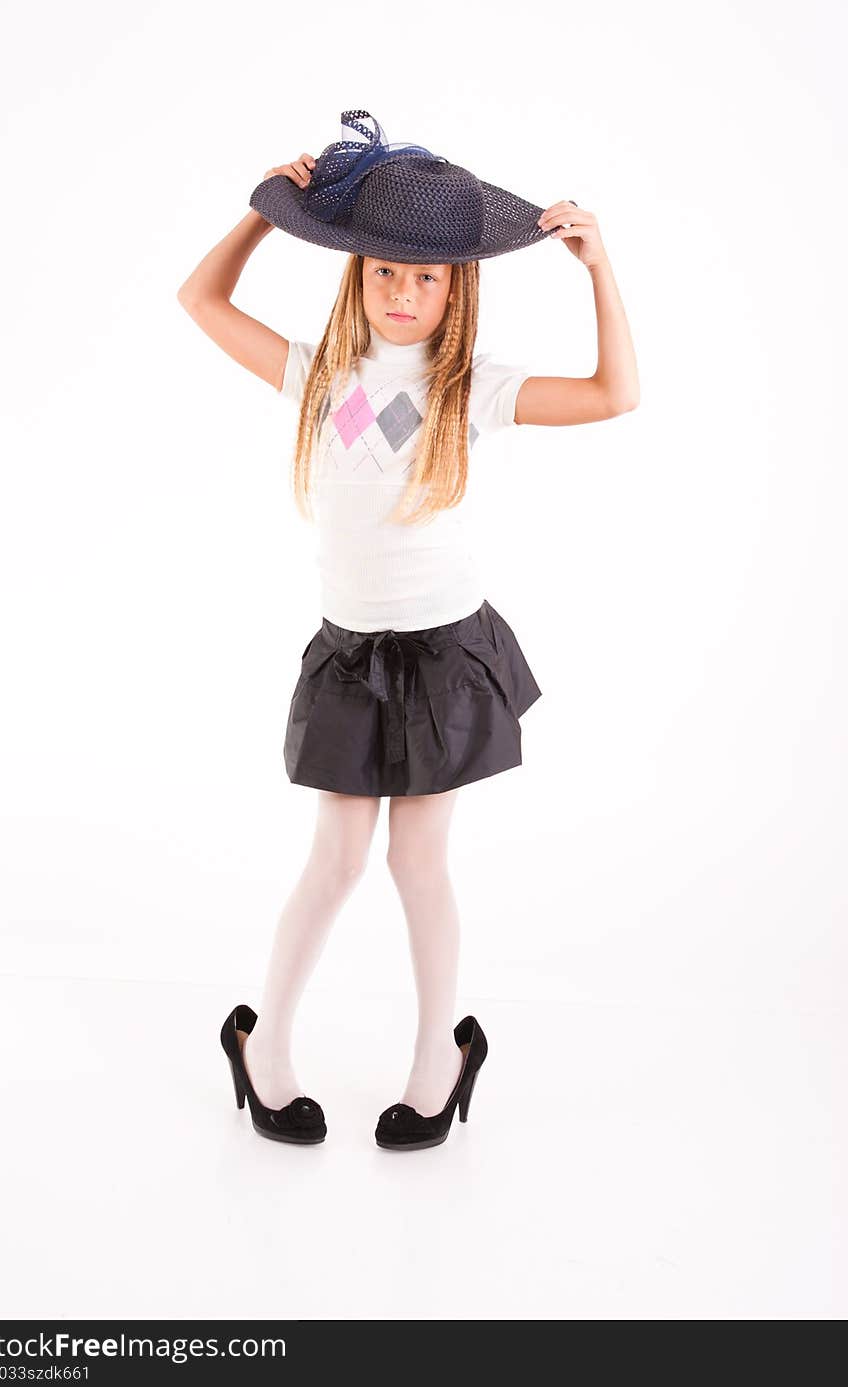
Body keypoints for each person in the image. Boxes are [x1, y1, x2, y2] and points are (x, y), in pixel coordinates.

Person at [177, 110, 640, 1150]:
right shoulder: (316, 378)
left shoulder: (472, 390)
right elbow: (199, 299)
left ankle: (442, 1054)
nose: (401, 293)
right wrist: (266, 213)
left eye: (424, 278)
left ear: (456, 287)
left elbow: (618, 394)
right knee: (335, 861)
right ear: (356, 275)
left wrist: (597, 267)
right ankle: (261, 1046)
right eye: (384, 271)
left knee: (416, 865)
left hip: (441, 655)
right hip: (349, 654)